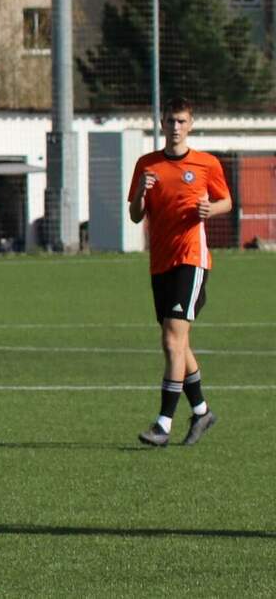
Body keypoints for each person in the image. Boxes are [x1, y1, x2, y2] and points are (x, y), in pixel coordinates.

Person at [128, 97, 232, 447]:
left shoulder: (206, 163)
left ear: (191, 124)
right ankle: (202, 411)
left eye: (181, 121)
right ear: (162, 124)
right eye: (170, 121)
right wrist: (140, 193)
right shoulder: (147, 165)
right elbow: (135, 215)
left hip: (192, 258)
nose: (175, 127)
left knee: (173, 340)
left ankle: (163, 424)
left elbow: (226, 201)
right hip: (160, 262)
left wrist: (210, 209)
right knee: (176, 342)